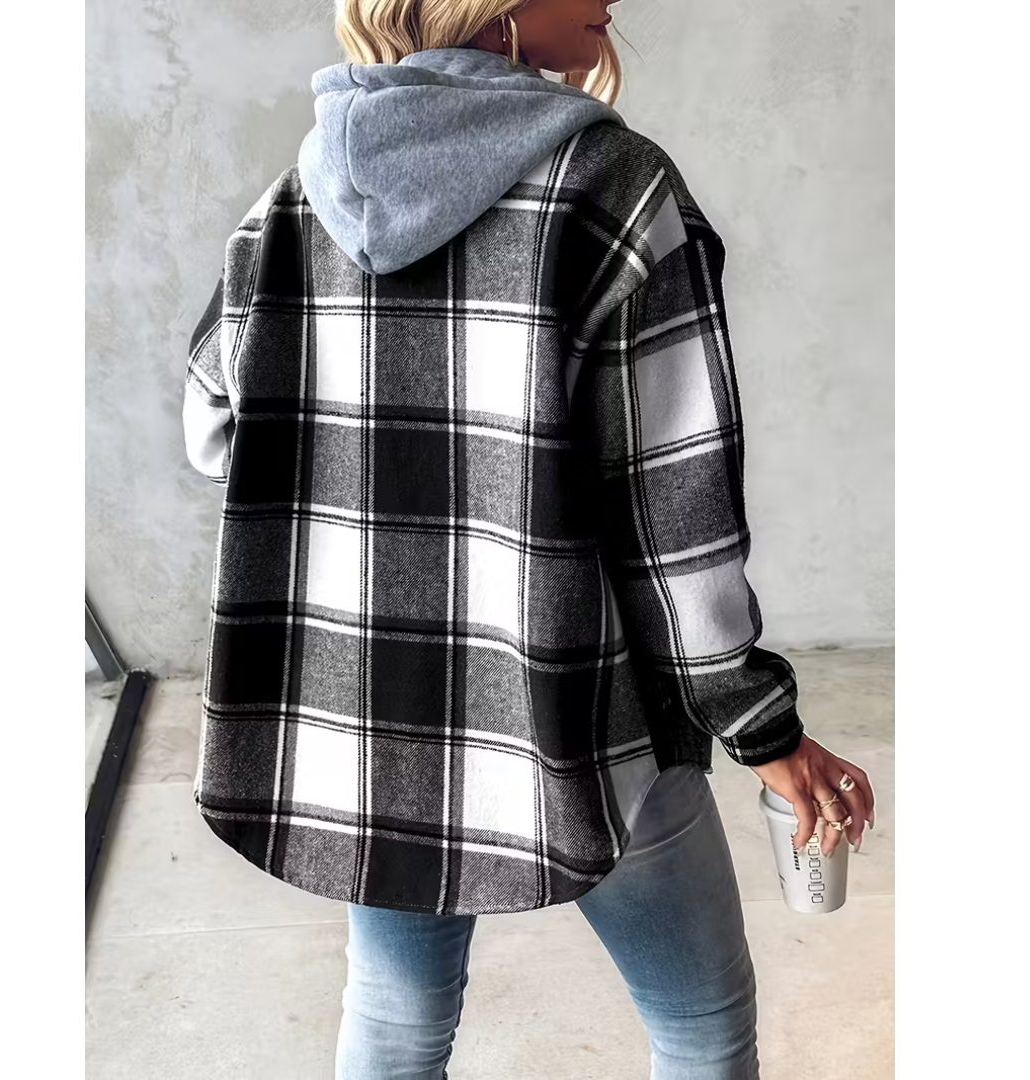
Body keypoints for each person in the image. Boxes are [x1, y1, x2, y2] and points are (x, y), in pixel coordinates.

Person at [182, 1, 877, 1076]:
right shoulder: (614, 191)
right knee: (698, 1022)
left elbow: (213, 427)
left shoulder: (295, 198)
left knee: (395, 1017)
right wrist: (761, 728)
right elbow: (673, 514)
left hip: (375, 720)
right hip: (582, 711)